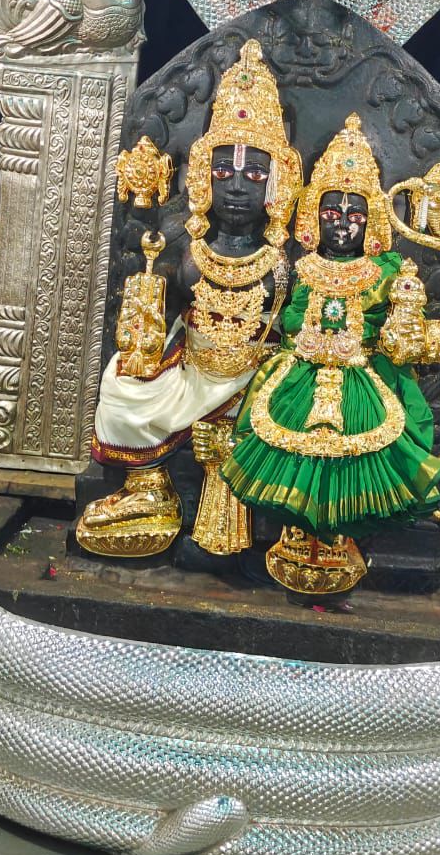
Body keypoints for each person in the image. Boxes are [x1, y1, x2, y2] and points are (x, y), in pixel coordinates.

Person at [220, 113, 440, 595]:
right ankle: (297, 534)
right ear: (313, 217)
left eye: (355, 216)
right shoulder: (301, 267)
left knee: (353, 464)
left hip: (362, 377)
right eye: (331, 214)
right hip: (300, 375)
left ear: (371, 222)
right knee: (290, 457)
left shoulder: (387, 272)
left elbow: (405, 339)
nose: (343, 225)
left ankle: (338, 538)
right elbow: (285, 321)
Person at [77, 41, 302, 557]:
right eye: (224, 172)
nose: (238, 187)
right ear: (203, 176)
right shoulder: (183, 244)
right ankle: (148, 488)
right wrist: (144, 332)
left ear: (277, 181)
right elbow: (160, 314)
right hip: (193, 367)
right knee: (122, 388)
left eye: (255, 174)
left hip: (258, 377)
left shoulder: (287, 258)